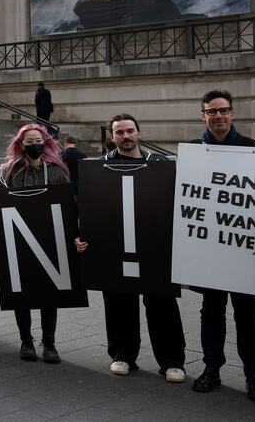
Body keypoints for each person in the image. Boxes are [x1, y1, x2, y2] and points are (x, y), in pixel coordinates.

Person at [70, 114, 186, 384]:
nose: (125, 136)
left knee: (161, 302)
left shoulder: (159, 165)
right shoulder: (98, 167)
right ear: (112, 137)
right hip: (113, 245)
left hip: (153, 246)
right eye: (119, 132)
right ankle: (123, 354)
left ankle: (172, 361)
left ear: (139, 133)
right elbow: (83, 206)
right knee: (118, 302)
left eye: (130, 131)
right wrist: (77, 235)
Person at [189, 89, 255, 403]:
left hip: (247, 253)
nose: (218, 116)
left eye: (224, 110)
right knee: (211, 313)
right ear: (202, 115)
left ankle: (253, 375)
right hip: (209, 253)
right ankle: (211, 369)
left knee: (247, 316)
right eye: (212, 111)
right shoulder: (191, 152)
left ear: (232, 113)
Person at [0, 124, 70, 364]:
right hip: (19, 241)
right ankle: (26, 340)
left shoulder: (58, 172)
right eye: (29, 141)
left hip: (50, 241)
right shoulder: (9, 173)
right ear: (21, 144)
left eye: (37, 140)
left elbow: (69, 205)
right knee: (22, 294)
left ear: (45, 142)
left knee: (49, 295)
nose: (33, 144)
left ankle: (49, 342)